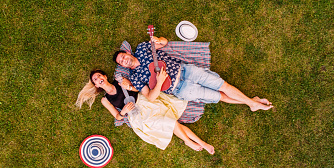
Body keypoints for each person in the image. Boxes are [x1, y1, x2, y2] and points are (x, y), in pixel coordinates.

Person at [113, 37, 273, 110]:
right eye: (121, 62)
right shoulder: (134, 77)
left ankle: (252, 103)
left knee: (224, 85)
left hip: (187, 71)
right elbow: (150, 97)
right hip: (180, 90)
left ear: (127, 53)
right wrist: (160, 82)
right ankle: (252, 103)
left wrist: (161, 40)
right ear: (123, 65)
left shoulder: (142, 48)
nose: (124, 61)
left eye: (123, 57)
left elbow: (164, 42)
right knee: (221, 96)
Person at [76, 70, 215, 154]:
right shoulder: (105, 100)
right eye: (95, 80)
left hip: (145, 102)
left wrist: (128, 86)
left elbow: (137, 89)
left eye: (99, 76)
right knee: (171, 123)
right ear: (96, 85)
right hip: (138, 115)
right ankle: (195, 142)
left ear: (105, 76)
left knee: (172, 123)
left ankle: (197, 142)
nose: (98, 79)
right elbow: (117, 117)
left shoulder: (119, 81)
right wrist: (123, 111)